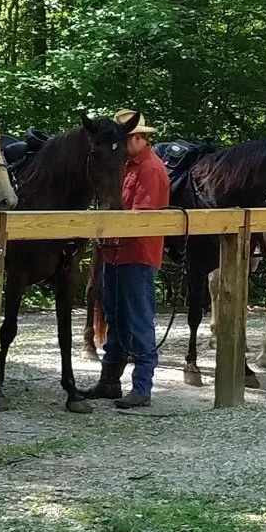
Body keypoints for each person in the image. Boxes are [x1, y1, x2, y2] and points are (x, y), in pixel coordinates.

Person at [81, 110, 170, 409]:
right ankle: (109, 382)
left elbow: (141, 220)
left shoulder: (151, 169)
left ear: (137, 137)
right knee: (115, 318)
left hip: (136, 255)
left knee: (139, 321)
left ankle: (142, 388)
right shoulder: (126, 165)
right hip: (115, 252)